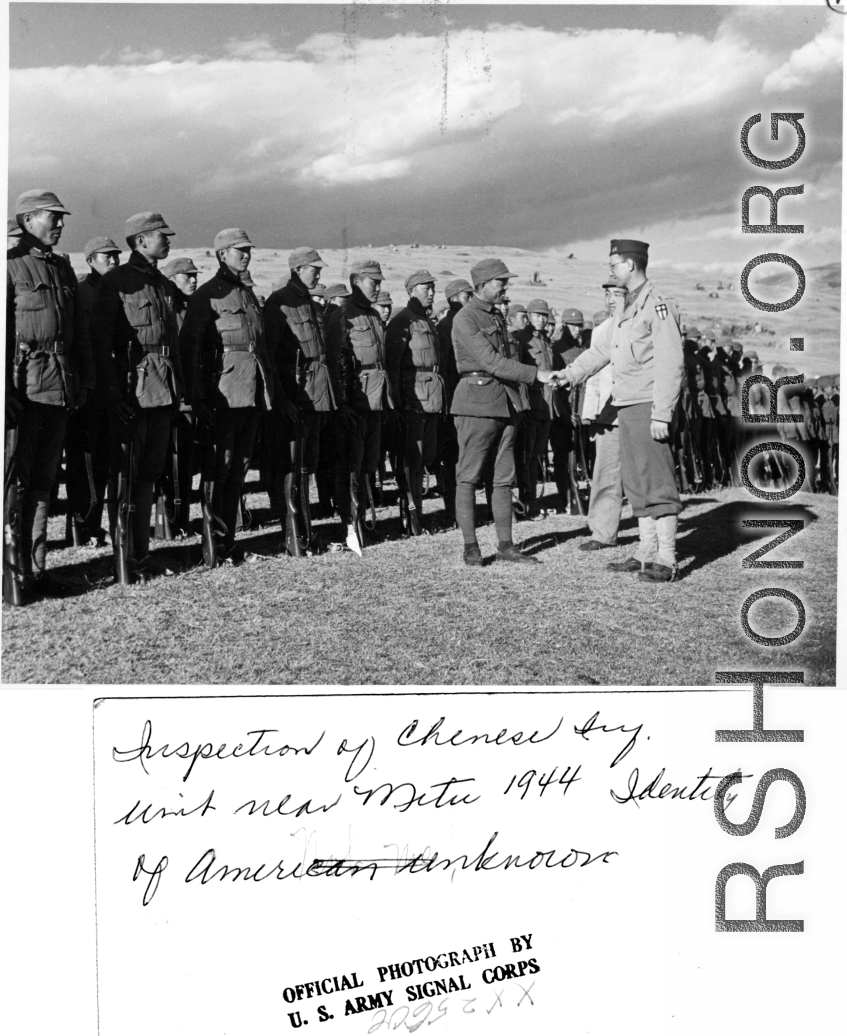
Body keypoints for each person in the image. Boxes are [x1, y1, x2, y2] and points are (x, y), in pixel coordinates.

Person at [559, 239, 684, 582]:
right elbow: (601, 351)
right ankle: (645, 551)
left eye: (613, 264)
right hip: (625, 405)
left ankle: (667, 557)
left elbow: (672, 363)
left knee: (657, 481)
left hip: (647, 405)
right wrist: (569, 374)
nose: (610, 270)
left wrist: (662, 413)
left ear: (630, 265)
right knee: (635, 482)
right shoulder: (625, 309)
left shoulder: (657, 306)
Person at [179, 228, 289, 562]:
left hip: (252, 393)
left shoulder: (246, 294)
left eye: (247, 250)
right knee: (219, 470)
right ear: (221, 254)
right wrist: (198, 397)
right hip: (223, 394)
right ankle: (213, 543)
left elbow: (260, 347)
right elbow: (189, 347)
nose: (245, 255)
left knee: (238, 470)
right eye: (237, 250)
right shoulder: (207, 296)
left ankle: (229, 542)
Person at [6, 189, 94, 597]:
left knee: (43, 485)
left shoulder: (60, 268)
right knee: (15, 485)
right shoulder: (9, 267)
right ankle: (12, 574)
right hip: (21, 391)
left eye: (61, 217)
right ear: (26, 221)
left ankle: (36, 571)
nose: (60, 224)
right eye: (52, 217)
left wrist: (86, 380)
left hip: (58, 386)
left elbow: (79, 335)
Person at [89, 211, 186, 580]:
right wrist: (113, 397)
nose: (168, 241)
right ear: (141, 240)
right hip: (132, 391)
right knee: (125, 477)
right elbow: (99, 343)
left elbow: (171, 341)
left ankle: (140, 556)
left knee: (148, 474)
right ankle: (123, 558)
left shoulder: (161, 283)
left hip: (162, 388)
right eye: (163, 236)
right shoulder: (116, 281)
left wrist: (182, 392)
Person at [450, 257, 562, 566]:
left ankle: (506, 545)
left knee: (503, 479)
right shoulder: (466, 318)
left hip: (507, 403)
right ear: (483, 286)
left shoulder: (496, 316)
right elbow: (490, 361)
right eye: (501, 282)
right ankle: (471, 546)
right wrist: (535, 374)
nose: (505, 287)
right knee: (469, 477)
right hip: (476, 405)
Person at [264, 247, 335, 554]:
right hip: (296, 396)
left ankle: (305, 532)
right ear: (298, 268)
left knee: (308, 465)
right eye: (313, 268)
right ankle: (294, 534)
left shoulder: (308, 300)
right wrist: (280, 399)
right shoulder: (279, 302)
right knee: (292, 467)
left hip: (317, 395)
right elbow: (269, 355)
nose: (318, 273)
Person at [326, 259, 394, 551]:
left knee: (368, 465)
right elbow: (333, 362)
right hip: (354, 402)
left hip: (377, 400)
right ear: (356, 282)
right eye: (372, 281)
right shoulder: (342, 316)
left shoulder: (375, 317)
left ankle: (362, 521)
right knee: (350, 467)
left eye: (379, 282)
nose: (378, 286)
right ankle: (349, 526)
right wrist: (341, 403)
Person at [64, 235, 123, 546]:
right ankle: (80, 526)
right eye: (105, 256)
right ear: (90, 261)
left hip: (111, 386)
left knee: (102, 461)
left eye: (115, 255)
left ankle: (92, 525)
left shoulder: (117, 290)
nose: (113, 260)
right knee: (82, 461)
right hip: (88, 388)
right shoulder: (81, 292)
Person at [385, 271, 444, 534]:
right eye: (425, 288)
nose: (431, 292)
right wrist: (397, 403)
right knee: (412, 459)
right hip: (413, 399)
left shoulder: (426, 321)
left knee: (426, 456)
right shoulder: (402, 321)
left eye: (433, 288)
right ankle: (411, 518)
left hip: (431, 397)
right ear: (410, 290)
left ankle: (416, 515)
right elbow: (394, 366)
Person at [160, 256, 201, 536]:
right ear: (172, 279)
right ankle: (168, 522)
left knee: (184, 462)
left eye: (195, 275)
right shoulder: (167, 310)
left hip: (191, 395)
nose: (194, 280)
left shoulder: (192, 309)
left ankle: (181, 519)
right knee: (167, 463)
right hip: (172, 394)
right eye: (187, 276)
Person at [515, 298, 561, 518]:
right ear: (529, 316)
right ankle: (526, 503)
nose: (542, 319)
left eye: (544, 315)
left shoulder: (545, 340)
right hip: (532, 406)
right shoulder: (521, 339)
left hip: (547, 407)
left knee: (537, 456)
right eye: (537, 315)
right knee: (528, 457)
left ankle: (531, 501)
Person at [435, 278, 474, 527]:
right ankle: (455, 512)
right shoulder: (449, 327)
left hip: (460, 401)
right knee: (453, 459)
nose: (471, 299)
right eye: (467, 295)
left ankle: (459, 511)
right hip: (453, 403)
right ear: (454, 298)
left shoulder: (461, 324)